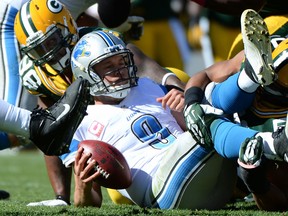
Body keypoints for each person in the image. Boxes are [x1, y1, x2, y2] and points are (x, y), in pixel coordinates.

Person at [14, 0, 187, 207]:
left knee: (176, 78)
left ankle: (200, 134)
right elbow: (49, 129)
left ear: (68, 26)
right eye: (40, 48)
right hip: (106, 125)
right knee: (118, 189)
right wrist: (61, 196)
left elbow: (137, 59)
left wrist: (177, 87)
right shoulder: (37, 76)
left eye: (52, 41)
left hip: (136, 105)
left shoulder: (92, 39)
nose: (49, 52)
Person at [55, 29, 237, 209]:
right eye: (109, 67)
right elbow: (90, 203)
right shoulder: (80, 122)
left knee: (230, 108)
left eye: (122, 62)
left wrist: (184, 107)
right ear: (87, 75)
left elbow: (189, 128)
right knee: (212, 114)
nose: (120, 71)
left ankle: (246, 71)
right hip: (161, 191)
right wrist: (82, 185)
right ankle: (245, 78)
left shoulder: (147, 85)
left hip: (211, 181)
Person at [183, 9, 288, 211]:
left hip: (241, 157)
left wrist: (255, 180)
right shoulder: (270, 49)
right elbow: (205, 74)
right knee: (209, 97)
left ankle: (273, 144)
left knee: (211, 120)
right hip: (237, 112)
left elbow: (280, 202)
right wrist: (190, 103)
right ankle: (248, 77)